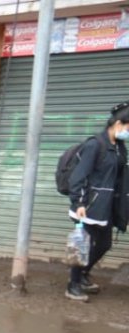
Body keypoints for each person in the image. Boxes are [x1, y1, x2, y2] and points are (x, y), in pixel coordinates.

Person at [62, 102, 129, 302]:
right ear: (118, 123)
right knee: (82, 245)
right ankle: (72, 285)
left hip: (107, 206)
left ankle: (82, 274)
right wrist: (79, 202)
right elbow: (78, 176)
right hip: (88, 205)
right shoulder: (95, 145)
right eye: (128, 128)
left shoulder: (119, 148)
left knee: (104, 244)